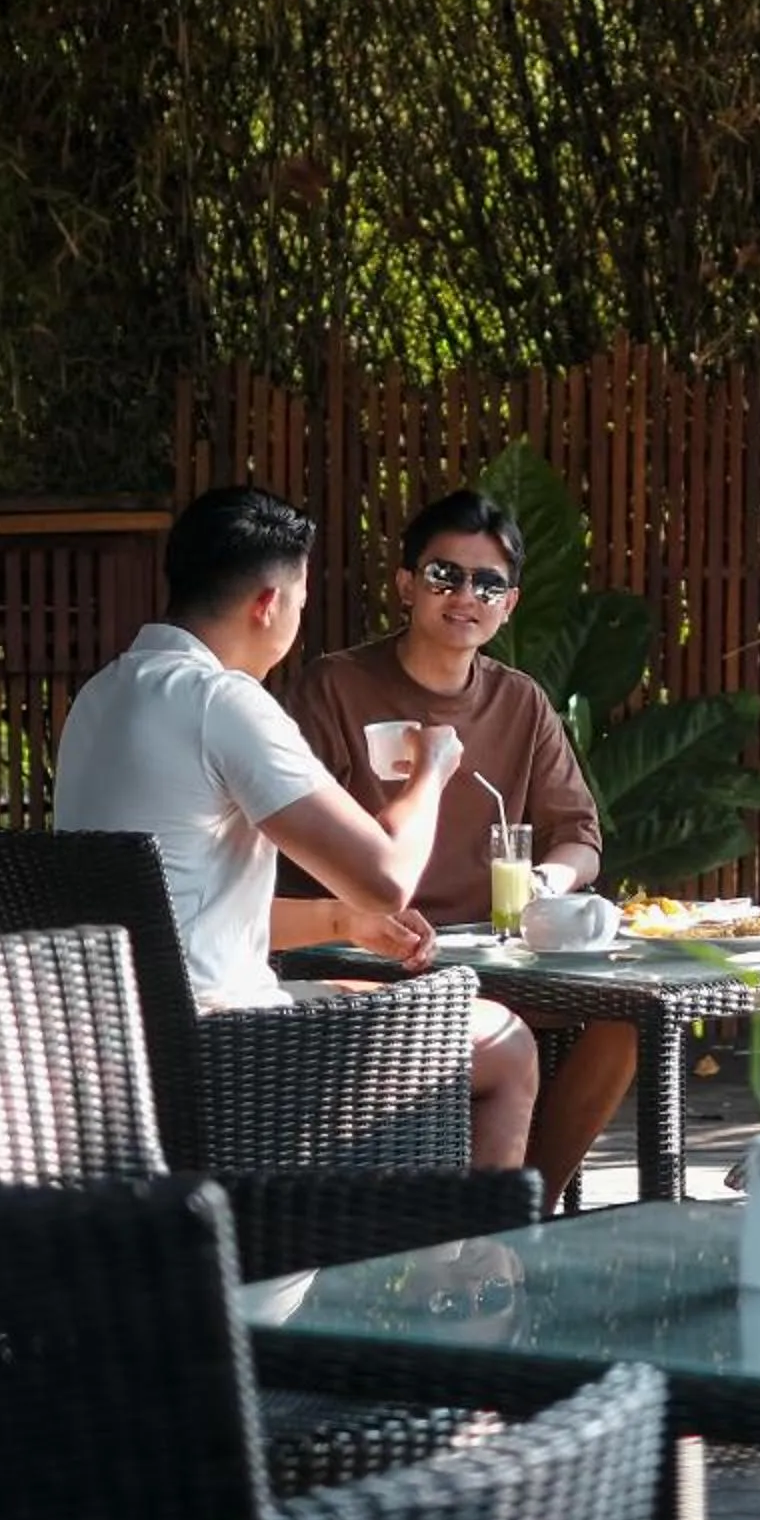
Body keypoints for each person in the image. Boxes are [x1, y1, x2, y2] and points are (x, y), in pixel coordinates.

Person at [53, 485, 539, 1171]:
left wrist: (340, 925)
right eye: (301, 604)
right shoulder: (223, 701)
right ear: (267, 604)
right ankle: (471, 1277)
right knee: (507, 1043)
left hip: (110, 1050)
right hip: (226, 1051)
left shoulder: (102, 696)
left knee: (389, 1002)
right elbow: (386, 877)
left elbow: (168, 917)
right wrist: (431, 769)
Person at [286, 488, 627, 1205]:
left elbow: (580, 837)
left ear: (509, 604)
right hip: (370, 956)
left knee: (630, 1018)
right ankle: (482, 1218)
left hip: (498, 955)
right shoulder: (336, 686)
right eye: (445, 575)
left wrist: (544, 885)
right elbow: (288, 845)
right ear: (406, 584)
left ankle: (520, 1203)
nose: (465, 595)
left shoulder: (522, 701)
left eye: (488, 583)